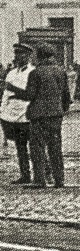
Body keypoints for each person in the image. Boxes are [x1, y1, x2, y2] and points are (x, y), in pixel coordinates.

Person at [22, 44, 71, 188]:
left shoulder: (35, 73)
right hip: (55, 115)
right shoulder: (60, 71)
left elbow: (30, 95)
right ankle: (59, 179)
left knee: (37, 148)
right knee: (55, 147)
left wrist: (19, 93)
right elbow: (66, 95)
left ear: (40, 56)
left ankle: (40, 179)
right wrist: (62, 109)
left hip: (38, 115)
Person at [1, 43, 36, 185]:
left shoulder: (32, 72)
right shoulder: (11, 73)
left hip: (27, 115)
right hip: (13, 116)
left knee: (35, 147)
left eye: (21, 54)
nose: (18, 57)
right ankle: (25, 174)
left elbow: (31, 94)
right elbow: (6, 94)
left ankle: (45, 172)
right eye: (16, 54)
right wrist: (3, 111)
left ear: (28, 56)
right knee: (20, 147)